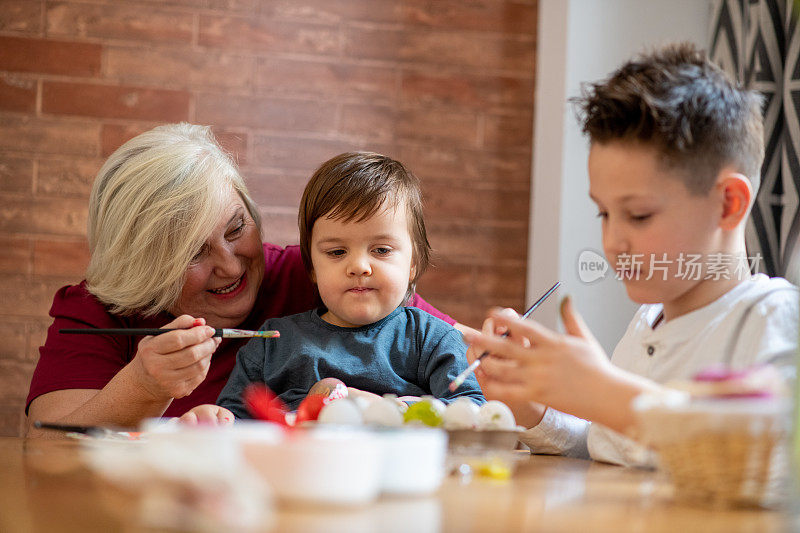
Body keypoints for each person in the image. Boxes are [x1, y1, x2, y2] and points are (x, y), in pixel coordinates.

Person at [462, 43, 799, 467]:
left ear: (728, 203)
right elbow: (618, 447)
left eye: (638, 215)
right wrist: (535, 405)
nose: (612, 242)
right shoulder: (647, 320)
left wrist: (607, 393)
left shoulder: (773, 317)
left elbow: (774, 460)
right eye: (604, 213)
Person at [25, 124, 462, 436]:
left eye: (236, 229)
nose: (232, 267)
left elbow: (472, 367)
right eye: (194, 253)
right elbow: (45, 446)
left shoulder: (320, 275)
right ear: (143, 267)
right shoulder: (100, 307)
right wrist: (143, 386)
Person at [182, 152, 484, 423]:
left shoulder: (431, 340)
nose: (359, 267)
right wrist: (212, 419)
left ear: (413, 264)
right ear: (311, 267)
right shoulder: (271, 343)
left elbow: (471, 410)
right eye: (337, 252)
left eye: (381, 250)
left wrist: (394, 410)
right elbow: (235, 422)